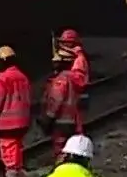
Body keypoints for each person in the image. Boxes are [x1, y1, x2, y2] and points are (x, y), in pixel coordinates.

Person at [37, 30, 90, 166]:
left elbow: (56, 99)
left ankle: (63, 169)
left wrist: (47, 117)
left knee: (61, 148)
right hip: (72, 116)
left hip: (62, 120)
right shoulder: (70, 72)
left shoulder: (63, 78)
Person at [0, 45, 35, 177]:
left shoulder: (2, 79)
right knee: (17, 144)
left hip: (6, 123)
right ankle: (17, 168)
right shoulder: (23, 77)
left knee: (7, 144)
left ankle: (12, 170)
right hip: (23, 120)